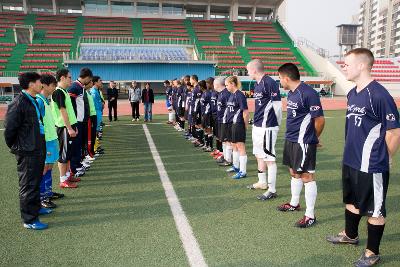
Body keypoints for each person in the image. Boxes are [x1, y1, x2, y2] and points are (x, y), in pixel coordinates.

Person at [326, 48, 400, 266]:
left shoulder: (379, 95)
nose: (344, 67)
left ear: (361, 66)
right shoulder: (352, 93)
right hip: (351, 160)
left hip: (371, 164)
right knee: (352, 200)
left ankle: (372, 252)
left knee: (374, 209)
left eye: (347, 64)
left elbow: (394, 132)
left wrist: (385, 157)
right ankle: (350, 235)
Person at [276, 63, 325, 228]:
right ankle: (294, 203)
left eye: (280, 78)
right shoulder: (291, 93)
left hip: (303, 141)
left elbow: (319, 120)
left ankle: (310, 215)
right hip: (290, 139)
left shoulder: (308, 93)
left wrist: (313, 138)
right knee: (293, 171)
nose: (279, 81)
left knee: (306, 176)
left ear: (286, 78)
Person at [4, 72, 48, 230]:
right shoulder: (19, 103)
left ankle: (36, 208)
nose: (41, 84)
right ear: (31, 84)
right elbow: (9, 130)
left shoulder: (32, 100)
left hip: (36, 146)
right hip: (27, 150)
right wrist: (18, 147)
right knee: (28, 184)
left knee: (35, 181)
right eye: (38, 82)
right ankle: (29, 219)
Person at [246, 59, 283, 200]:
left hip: (268, 126)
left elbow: (277, 106)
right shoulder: (257, 84)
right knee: (258, 154)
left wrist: (276, 124)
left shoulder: (270, 82)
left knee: (269, 159)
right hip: (258, 125)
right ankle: (262, 182)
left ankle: (272, 190)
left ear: (254, 70)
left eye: (248, 70)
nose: (248, 72)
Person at [36, 74, 64, 210]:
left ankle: (48, 192)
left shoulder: (46, 100)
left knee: (49, 166)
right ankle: (41, 198)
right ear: (44, 85)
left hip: (52, 139)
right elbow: (38, 122)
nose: (54, 88)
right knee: (44, 168)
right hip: (45, 140)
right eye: (53, 86)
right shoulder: (39, 101)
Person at [51, 68, 78, 189]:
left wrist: (73, 126)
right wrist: (69, 128)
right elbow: (63, 111)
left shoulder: (64, 91)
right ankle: (63, 180)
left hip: (69, 127)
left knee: (68, 154)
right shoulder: (58, 92)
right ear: (62, 78)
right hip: (63, 128)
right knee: (63, 154)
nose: (71, 80)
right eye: (69, 77)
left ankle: (67, 175)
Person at [68, 67, 93, 179]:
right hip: (76, 121)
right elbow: (70, 105)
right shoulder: (74, 87)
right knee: (75, 145)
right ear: (87, 77)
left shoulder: (80, 87)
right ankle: (74, 168)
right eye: (89, 79)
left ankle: (78, 164)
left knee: (79, 145)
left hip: (81, 121)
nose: (89, 82)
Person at [224, 76, 249, 179]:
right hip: (231, 124)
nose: (226, 87)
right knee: (234, 145)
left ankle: (243, 172)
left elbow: (246, 112)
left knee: (240, 146)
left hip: (238, 124)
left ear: (232, 84)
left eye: (227, 85)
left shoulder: (240, 95)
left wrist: (245, 126)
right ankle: (236, 166)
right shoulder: (231, 95)